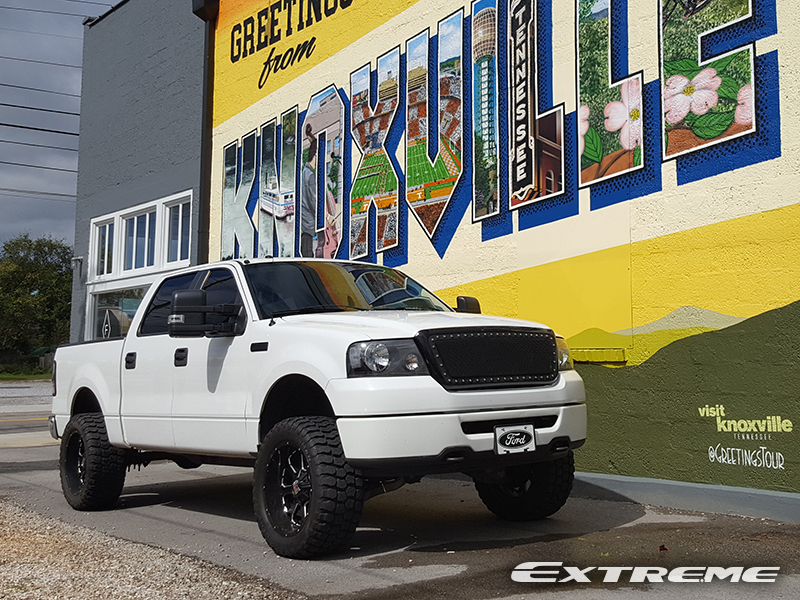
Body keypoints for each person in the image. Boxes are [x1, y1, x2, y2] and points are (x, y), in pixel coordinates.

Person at [300, 124, 317, 258]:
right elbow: (313, 201)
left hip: (303, 221)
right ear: (315, 156)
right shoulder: (310, 175)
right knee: (308, 256)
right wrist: (325, 217)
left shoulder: (304, 172)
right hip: (308, 223)